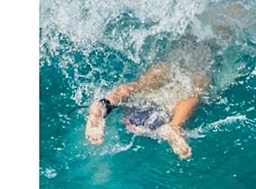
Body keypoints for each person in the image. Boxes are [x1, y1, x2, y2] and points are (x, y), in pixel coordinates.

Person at [85, 38, 214, 159]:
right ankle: (173, 126)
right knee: (194, 94)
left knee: (139, 85)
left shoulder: (180, 40)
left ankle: (104, 104)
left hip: (143, 101)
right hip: (171, 105)